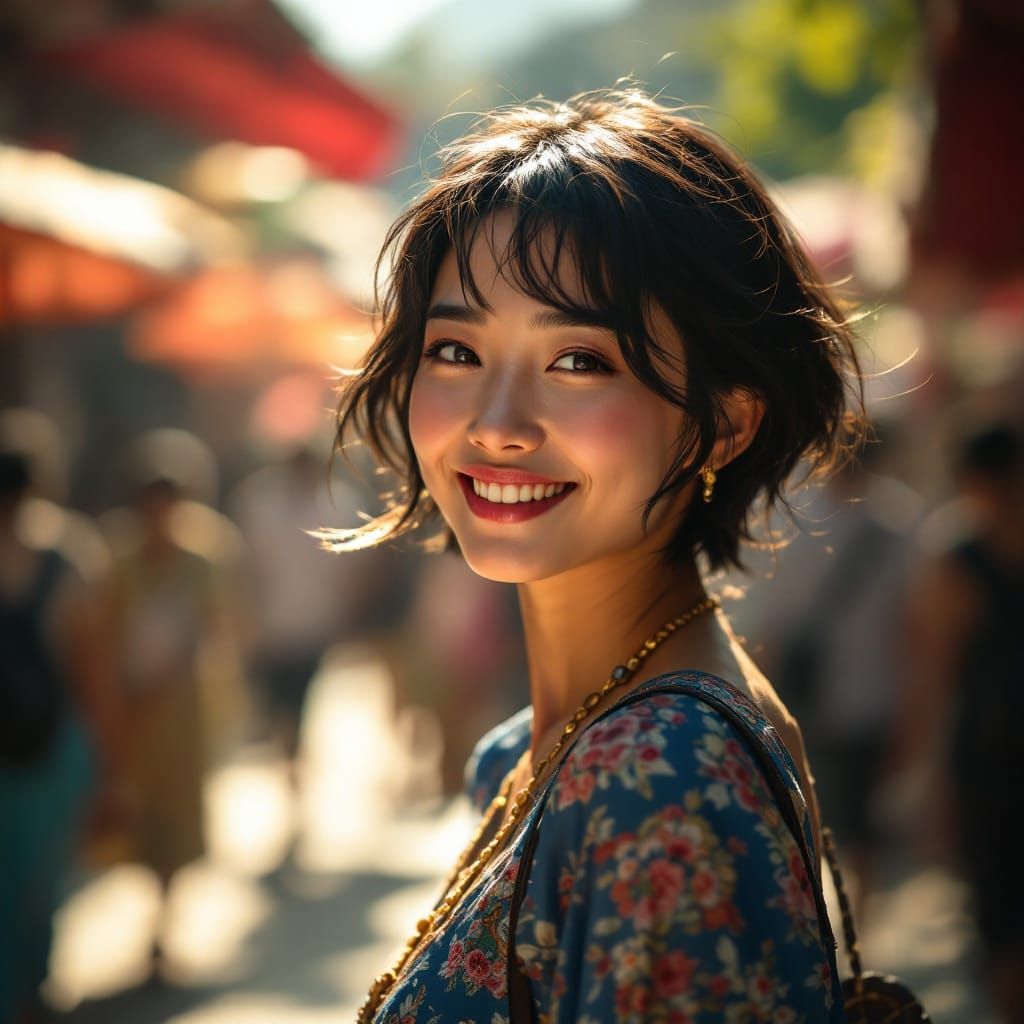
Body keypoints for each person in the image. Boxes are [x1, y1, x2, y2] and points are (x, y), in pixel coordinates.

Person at [329, 89, 862, 1022]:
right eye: (454, 349)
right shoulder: (547, 749)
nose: (495, 427)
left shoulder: (657, 778)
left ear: (721, 426)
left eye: (578, 360)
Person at [898, 421, 1024, 1024]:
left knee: (999, 917)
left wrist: (925, 774)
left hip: (989, 759)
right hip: (989, 761)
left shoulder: (958, 561)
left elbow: (933, 678)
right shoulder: (958, 560)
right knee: (1000, 917)